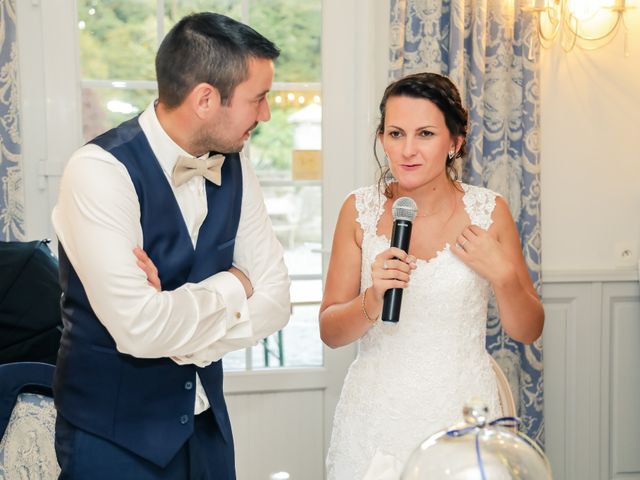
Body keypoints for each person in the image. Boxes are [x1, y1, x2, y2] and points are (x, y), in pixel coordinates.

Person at [51, 12, 290, 479]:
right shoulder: (99, 171)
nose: (265, 114)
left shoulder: (237, 163)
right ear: (205, 98)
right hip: (113, 439)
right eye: (257, 99)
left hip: (207, 433)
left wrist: (172, 324)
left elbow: (278, 301)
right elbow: (139, 328)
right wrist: (234, 286)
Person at [320, 72, 544, 479]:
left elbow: (528, 330)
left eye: (424, 133)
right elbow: (330, 332)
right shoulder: (358, 210)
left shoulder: (489, 211)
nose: (407, 150)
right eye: (395, 133)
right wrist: (372, 298)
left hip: (458, 411)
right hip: (375, 417)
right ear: (381, 137)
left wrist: (504, 277)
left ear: (454, 142)